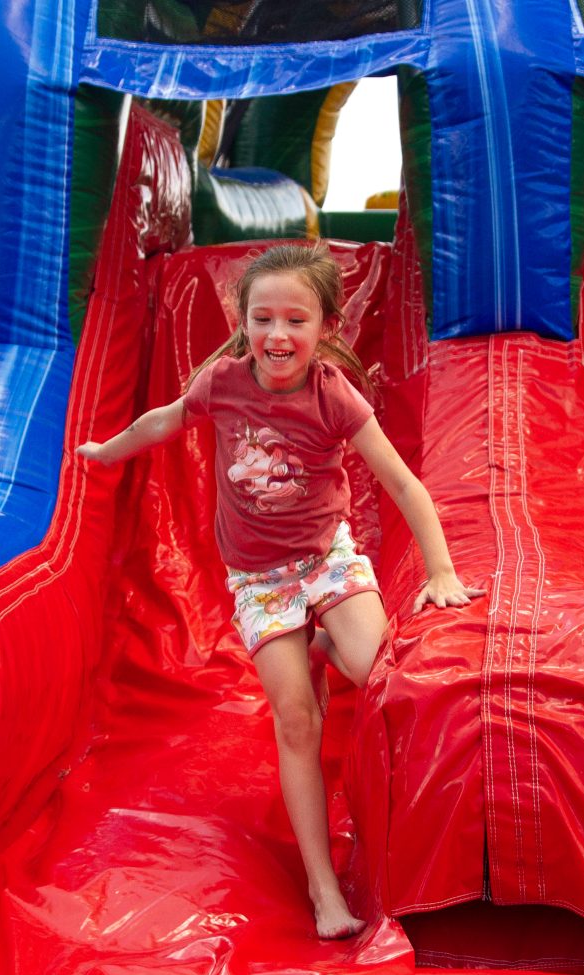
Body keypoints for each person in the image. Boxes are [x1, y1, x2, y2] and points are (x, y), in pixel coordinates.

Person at [77, 243, 483, 939]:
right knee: (296, 720)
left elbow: (402, 483)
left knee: (376, 671)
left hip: (326, 558)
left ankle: (322, 644)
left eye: (296, 319)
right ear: (243, 321)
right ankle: (324, 889)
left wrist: (441, 569)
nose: (277, 334)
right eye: (262, 318)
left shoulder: (334, 396)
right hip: (259, 579)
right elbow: (165, 419)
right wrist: (108, 450)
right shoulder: (224, 381)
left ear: (326, 326)